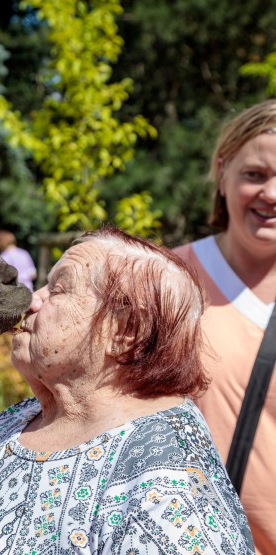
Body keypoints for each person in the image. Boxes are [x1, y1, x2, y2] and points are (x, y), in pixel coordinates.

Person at [0, 228, 254, 555]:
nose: (31, 301)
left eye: (59, 289)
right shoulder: (20, 421)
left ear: (125, 332)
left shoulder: (168, 481)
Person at [174, 99, 276, 554]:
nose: (271, 194)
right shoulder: (167, 280)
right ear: (222, 173)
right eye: (255, 175)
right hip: (190, 540)